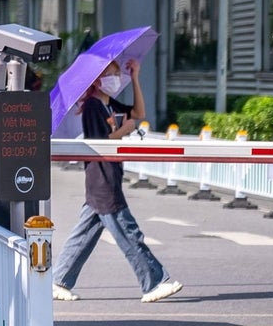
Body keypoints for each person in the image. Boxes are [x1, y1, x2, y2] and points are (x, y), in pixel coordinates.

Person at [52, 59, 183, 304]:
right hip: (102, 177)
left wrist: (135, 77)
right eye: (112, 74)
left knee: (85, 233)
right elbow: (100, 142)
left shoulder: (107, 103)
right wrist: (125, 131)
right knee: (128, 231)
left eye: (117, 74)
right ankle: (154, 282)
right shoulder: (92, 106)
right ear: (97, 80)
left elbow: (139, 114)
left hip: (106, 175)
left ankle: (59, 279)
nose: (116, 79)